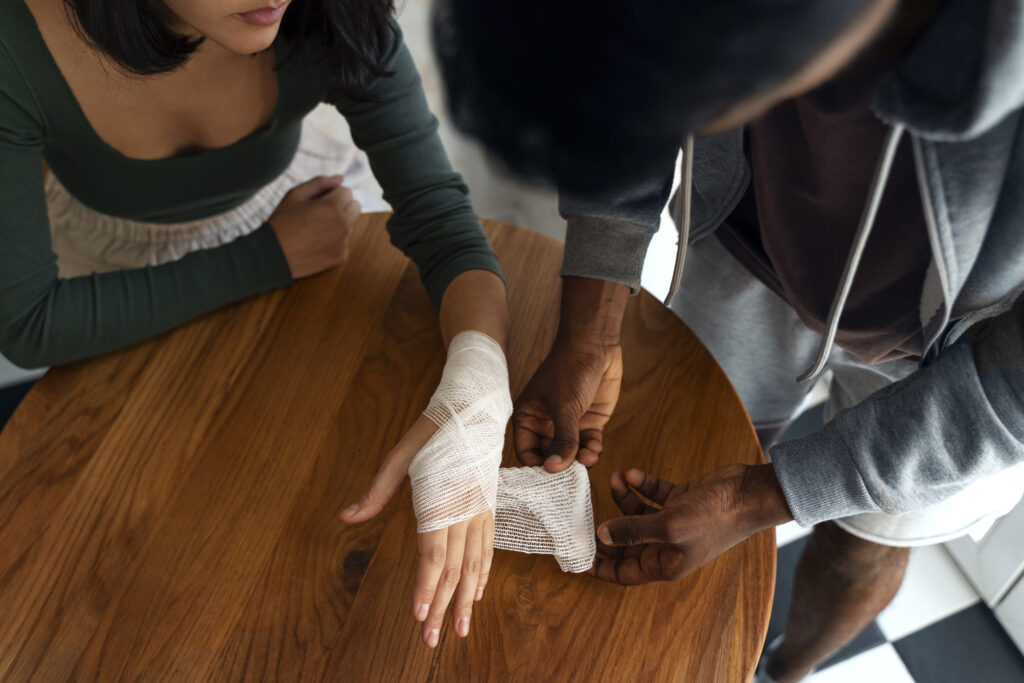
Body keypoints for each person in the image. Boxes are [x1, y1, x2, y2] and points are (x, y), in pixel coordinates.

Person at [434, 0, 1024, 679]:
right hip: (746, 237)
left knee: (866, 542)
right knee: (693, 453)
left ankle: (786, 670)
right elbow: (628, 78)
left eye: (687, 104)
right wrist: (589, 331)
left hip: (967, 354)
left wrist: (765, 498)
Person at [0, 0, 508, 647]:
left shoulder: (334, 14)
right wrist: (266, 257)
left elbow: (445, 228)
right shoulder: (16, 40)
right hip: (120, 296)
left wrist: (480, 394)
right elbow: (28, 322)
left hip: (302, 247)